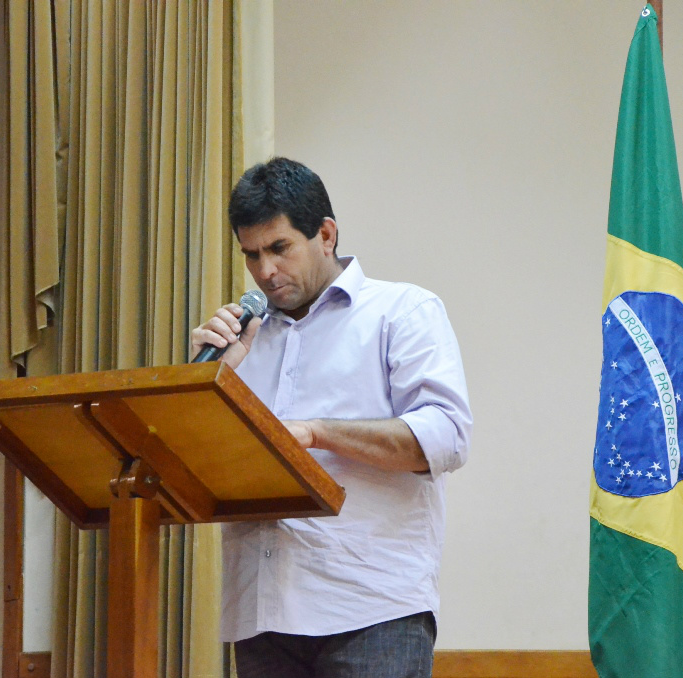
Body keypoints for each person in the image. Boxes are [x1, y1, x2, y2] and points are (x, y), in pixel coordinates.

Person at [190, 157, 472, 678]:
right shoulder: (241, 340)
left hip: (371, 610)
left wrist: (319, 433)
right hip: (261, 611)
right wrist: (208, 382)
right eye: (251, 255)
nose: (265, 272)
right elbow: (193, 467)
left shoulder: (402, 312)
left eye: (279, 248)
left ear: (325, 233)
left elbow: (447, 436)